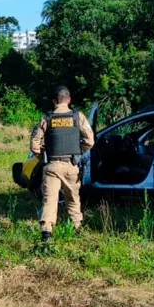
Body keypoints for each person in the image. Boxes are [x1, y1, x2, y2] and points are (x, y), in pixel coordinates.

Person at [30, 86, 94, 243]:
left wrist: (42, 157)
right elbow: (90, 141)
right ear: (69, 100)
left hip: (52, 166)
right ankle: (78, 229)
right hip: (71, 165)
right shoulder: (78, 117)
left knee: (50, 200)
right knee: (73, 199)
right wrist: (79, 152)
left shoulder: (47, 118)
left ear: (54, 101)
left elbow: (34, 144)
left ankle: (46, 234)